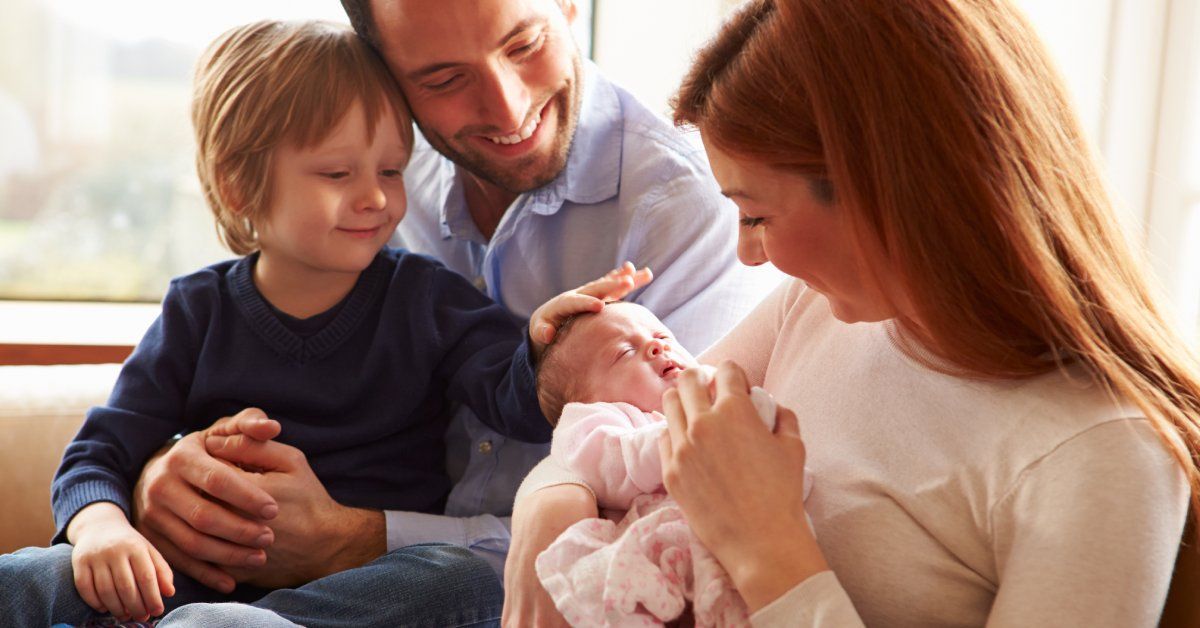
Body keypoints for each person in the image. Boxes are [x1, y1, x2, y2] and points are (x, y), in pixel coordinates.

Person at [506, 0, 1200, 625]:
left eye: (756, 215)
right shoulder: (814, 312)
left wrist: (769, 550)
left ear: (883, 191)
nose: (748, 256)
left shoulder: (1103, 455)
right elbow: (624, 427)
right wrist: (551, 499)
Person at [124, 0, 773, 622]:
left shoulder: (685, 211)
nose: (507, 105)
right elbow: (141, 414)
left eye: (525, 43)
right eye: (442, 78)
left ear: (569, 9)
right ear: (388, 76)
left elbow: (661, 529)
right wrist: (159, 473)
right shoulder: (369, 165)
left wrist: (355, 538)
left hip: (471, 592)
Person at [0, 19, 555, 626]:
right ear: (240, 187)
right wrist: (102, 531)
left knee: (465, 581)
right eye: (338, 174)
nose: (375, 198)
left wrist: (553, 343)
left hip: (353, 591)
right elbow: (98, 453)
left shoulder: (427, 299)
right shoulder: (197, 309)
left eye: (391, 171)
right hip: (183, 581)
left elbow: (515, 399)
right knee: (32, 575)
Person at [529, 299, 786, 626]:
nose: (654, 346)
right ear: (584, 400)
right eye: (624, 352)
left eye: (663, 338)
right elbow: (613, 463)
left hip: (748, 549)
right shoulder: (596, 422)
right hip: (661, 556)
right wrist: (689, 433)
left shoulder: (711, 386)